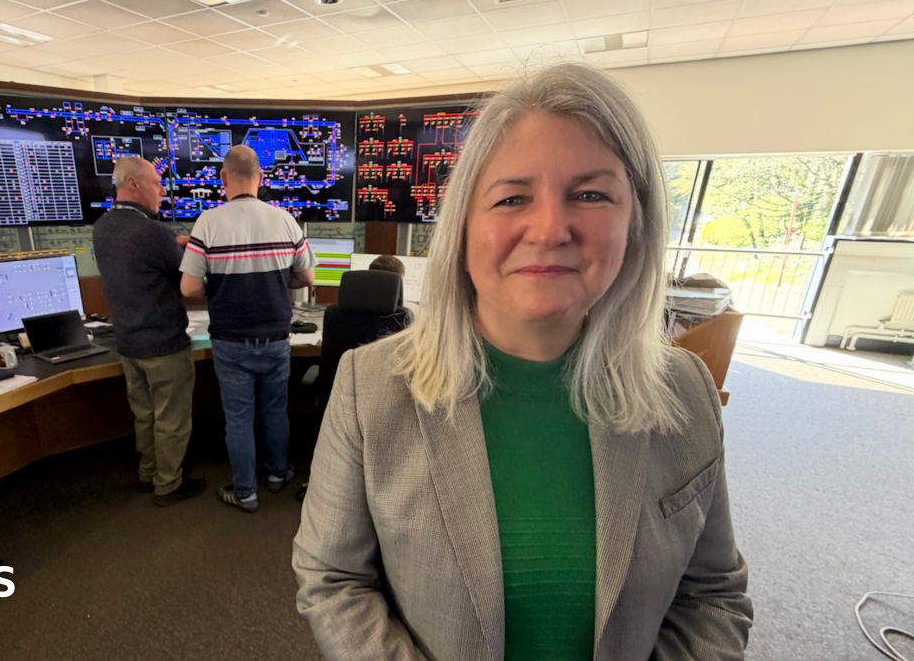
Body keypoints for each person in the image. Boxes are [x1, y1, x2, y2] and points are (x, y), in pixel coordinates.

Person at [293, 64, 753, 660]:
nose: (549, 228)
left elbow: (714, 593)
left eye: (590, 194)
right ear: (463, 228)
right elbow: (333, 580)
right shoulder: (371, 386)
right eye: (512, 197)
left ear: (636, 224)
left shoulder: (686, 389)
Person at [180, 145, 315, 513]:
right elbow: (306, 276)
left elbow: (189, 288)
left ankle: (245, 492)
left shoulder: (208, 221)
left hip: (230, 339)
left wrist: (222, 291)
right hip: (274, 337)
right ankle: (277, 474)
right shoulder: (286, 220)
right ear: (261, 178)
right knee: (275, 411)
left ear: (223, 178)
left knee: (238, 418)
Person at [92, 156, 205, 507]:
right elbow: (186, 282)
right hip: (163, 343)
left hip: (128, 343)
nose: (162, 191)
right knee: (171, 418)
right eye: (157, 184)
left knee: (144, 414)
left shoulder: (103, 227)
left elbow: (142, 264)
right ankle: (168, 485)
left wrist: (174, 243)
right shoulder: (153, 232)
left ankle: (148, 473)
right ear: (134, 184)